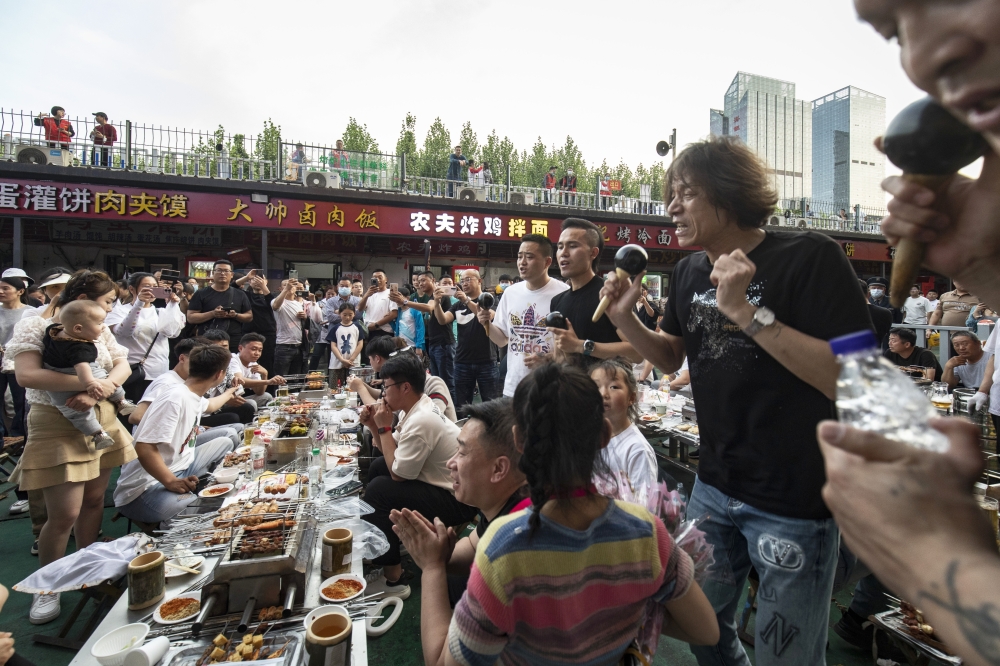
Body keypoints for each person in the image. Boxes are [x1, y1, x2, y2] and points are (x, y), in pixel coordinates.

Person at [598, 135, 874, 666]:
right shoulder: (688, 271)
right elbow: (674, 357)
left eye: (687, 192)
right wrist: (623, 319)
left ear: (730, 193)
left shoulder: (811, 256)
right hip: (714, 484)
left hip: (795, 500)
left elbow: (856, 376)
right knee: (700, 627)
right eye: (670, 193)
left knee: (785, 654)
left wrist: (748, 314)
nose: (671, 206)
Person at [406, 362, 717, 665]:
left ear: (519, 442)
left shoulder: (502, 551)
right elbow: (706, 630)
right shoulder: (648, 533)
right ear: (605, 434)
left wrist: (432, 569)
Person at [8, 269, 136, 625]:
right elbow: (27, 375)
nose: (110, 310)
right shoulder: (37, 325)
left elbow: (122, 362)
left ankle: (87, 563)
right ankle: (47, 586)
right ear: (82, 297)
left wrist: (102, 386)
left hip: (100, 412)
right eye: (108, 301)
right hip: (55, 419)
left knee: (95, 499)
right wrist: (84, 385)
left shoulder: (99, 326)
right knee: (62, 514)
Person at [359, 353, 477, 598]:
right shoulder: (412, 408)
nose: (382, 393)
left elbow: (398, 475)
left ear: (405, 387)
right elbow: (391, 453)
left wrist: (382, 426)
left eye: (386, 386)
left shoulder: (421, 419)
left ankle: (394, 580)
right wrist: (374, 426)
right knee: (378, 467)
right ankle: (390, 539)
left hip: (457, 500)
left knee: (379, 489)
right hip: (442, 486)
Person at [391, 398, 525, 610]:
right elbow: (473, 544)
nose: (450, 463)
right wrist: (436, 552)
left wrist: (432, 567)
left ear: (499, 469)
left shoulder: (510, 548)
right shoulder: (507, 503)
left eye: (461, 453)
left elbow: (439, 646)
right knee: (452, 580)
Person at [114, 345, 236, 526]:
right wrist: (170, 481)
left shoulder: (191, 393)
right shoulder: (175, 398)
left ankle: (197, 489)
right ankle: (161, 527)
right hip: (144, 490)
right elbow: (144, 447)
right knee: (199, 507)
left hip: (180, 467)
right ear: (219, 375)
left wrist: (229, 393)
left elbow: (210, 405)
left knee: (226, 440)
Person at [41, 300, 137, 448]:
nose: (103, 327)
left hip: (57, 387)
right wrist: (91, 385)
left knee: (75, 414)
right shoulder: (80, 348)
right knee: (106, 380)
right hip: (82, 376)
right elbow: (83, 369)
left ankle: (98, 434)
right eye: (100, 323)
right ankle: (121, 401)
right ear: (78, 329)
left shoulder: (53, 331)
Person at [547, 218, 642, 369]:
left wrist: (580, 346)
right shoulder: (557, 301)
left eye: (572, 246)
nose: (563, 253)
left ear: (593, 253)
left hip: (604, 390)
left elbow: (638, 352)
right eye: (560, 247)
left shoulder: (609, 295)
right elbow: (561, 354)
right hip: (568, 388)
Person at [483, 235, 568, 397]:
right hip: (513, 388)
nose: (522, 262)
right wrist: (486, 323)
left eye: (529, 257)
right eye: (520, 256)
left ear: (547, 262)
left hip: (550, 389)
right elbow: (502, 339)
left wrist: (549, 358)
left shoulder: (563, 293)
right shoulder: (511, 293)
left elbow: (573, 347)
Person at [127, 337, 242, 439]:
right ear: (182, 358)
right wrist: (187, 429)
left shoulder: (189, 383)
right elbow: (137, 416)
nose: (201, 364)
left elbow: (210, 405)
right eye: (196, 360)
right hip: (164, 451)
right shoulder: (167, 383)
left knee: (237, 428)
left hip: (186, 440)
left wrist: (229, 393)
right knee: (229, 434)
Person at [106, 272, 185, 403]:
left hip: (159, 373)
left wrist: (173, 305)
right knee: (130, 412)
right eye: (147, 286)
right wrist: (139, 304)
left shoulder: (161, 311)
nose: (152, 290)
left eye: (155, 286)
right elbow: (123, 332)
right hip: (131, 372)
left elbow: (172, 332)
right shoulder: (119, 311)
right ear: (132, 289)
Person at [590, 359, 659, 505]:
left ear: (631, 398)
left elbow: (646, 506)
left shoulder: (637, 449)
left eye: (614, 387)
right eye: (595, 387)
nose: (603, 394)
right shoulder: (588, 438)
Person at [432, 270, 499, 409]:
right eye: (462, 281)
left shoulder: (488, 299)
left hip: (486, 360)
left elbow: (488, 316)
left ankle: (492, 430)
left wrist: (466, 300)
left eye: (468, 279)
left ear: (479, 281)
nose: (464, 283)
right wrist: (437, 303)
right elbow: (443, 320)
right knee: (462, 405)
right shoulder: (457, 305)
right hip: (462, 361)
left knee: (491, 403)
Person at [352, 336, 456, 421]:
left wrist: (361, 388)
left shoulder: (434, 383)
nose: (384, 393)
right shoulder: (402, 392)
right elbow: (390, 420)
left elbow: (433, 420)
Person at [0, 275, 37, 443]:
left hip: (18, 361)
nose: (1, 292)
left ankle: (18, 436)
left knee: (20, 400)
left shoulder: (30, 312)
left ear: (20, 291)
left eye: (6, 288)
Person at [186, 260, 252, 353]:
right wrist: (213, 314)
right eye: (219, 270)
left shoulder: (240, 294)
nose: (222, 273)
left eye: (226, 271)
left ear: (232, 274)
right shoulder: (201, 293)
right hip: (206, 341)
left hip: (232, 341)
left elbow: (249, 316)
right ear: (213, 273)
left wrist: (235, 315)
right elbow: (191, 317)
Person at [414, 272, 455, 396]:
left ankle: (453, 414)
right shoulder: (431, 297)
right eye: (418, 281)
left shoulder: (439, 295)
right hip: (434, 344)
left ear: (433, 280)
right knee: (437, 382)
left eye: (423, 280)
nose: (420, 283)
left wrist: (405, 303)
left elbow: (428, 308)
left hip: (444, 344)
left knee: (447, 383)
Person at [200, 330, 255, 424]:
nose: (223, 351)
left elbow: (237, 393)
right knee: (232, 418)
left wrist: (236, 385)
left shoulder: (226, 364)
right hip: (201, 414)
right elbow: (201, 404)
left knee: (247, 408)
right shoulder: (201, 368)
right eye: (218, 347)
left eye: (225, 347)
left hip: (216, 408)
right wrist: (226, 400)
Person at [310, 278, 359, 371]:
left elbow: (358, 316)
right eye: (342, 286)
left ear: (351, 287)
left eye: (347, 286)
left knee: (351, 366)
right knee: (332, 360)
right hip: (333, 335)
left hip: (352, 336)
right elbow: (330, 317)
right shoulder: (331, 301)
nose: (344, 288)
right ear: (338, 287)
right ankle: (330, 379)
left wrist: (338, 313)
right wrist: (348, 315)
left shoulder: (357, 300)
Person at [236, 270, 276, 382]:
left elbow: (274, 304)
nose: (257, 281)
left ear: (266, 281)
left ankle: (268, 390)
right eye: (253, 279)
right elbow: (232, 286)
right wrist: (246, 277)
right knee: (247, 362)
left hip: (268, 335)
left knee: (268, 363)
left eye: (261, 279)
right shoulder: (245, 295)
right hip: (248, 334)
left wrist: (264, 287)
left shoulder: (271, 296)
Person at [232, 333, 286, 408]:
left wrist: (265, 374)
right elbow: (241, 381)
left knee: (267, 396)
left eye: (260, 350)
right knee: (251, 403)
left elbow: (259, 392)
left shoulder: (253, 363)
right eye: (253, 349)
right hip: (225, 401)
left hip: (238, 398)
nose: (257, 353)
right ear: (240, 348)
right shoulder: (233, 359)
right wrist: (268, 381)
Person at [270, 278, 307, 377]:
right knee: (281, 379)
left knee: (294, 380)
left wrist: (305, 317)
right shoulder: (276, 301)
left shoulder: (298, 304)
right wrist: (287, 289)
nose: (289, 286)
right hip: (284, 346)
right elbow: (275, 306)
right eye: (285, 285)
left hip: (298, 346)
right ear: (280, 289)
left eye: (292, 285)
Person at [357, 270, 398, 357]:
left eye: (380, 277)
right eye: (375, 278)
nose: (377, 280)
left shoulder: (390, 293)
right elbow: (360, 308)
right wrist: (366, 295)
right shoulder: (370, 294)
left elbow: (394, 313)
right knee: (372, 358)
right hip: (369, 332)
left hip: (384, 331)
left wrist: (376, 325)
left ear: (386, 279)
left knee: (385, 357)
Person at [326, 303, 363, 388]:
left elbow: (360, 343)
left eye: (350, 315)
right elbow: (333, 346)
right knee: (334, 387)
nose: (347, 317)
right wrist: (342, 360)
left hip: (353, 362)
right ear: (339, 314)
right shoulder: (335, 328)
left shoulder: (357, 327)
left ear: (354, 314)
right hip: (337, 362)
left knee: (353, 387)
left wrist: (352, 359)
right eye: (344, 314)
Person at [391, 285, 425, 355]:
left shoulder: (415, 310)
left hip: (413, 346)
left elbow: (420, 328)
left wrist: (419, 347)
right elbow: (397, 328)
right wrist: (390, 321)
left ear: (407, 298)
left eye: (399, 297)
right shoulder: (398, 311)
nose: (397, 301)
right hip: (401, 346)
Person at [860, 278, 893, 348]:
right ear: (869, 294)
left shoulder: (842, 313)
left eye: (879, 288)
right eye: (874, 288)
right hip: (874, 353)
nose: (876, 290)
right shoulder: (885, 313)